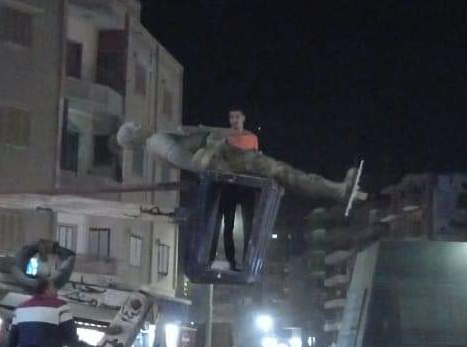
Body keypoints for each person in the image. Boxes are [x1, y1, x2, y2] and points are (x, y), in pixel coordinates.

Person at [117, 121, 363, 208]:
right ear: (134, 137)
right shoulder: (157, 142)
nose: (140, 125)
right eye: (135, 127)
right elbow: (195, 164)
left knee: (284, 174)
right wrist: (215, 144)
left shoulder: (156, 144)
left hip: (230, 160)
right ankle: (338, 191)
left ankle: (337, 190)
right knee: (284, 172)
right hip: (230, 161)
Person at [209, 109, 259, 269]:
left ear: (243, 118)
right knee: (228, 223)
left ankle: (246, 261)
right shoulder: (225, 137)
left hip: (246, 184)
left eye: (237, 117)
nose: (234, 120)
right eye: (231, 117)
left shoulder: (251, 138)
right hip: (229, 183)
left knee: (248, 224)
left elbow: (254, 160)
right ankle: (230, 260)